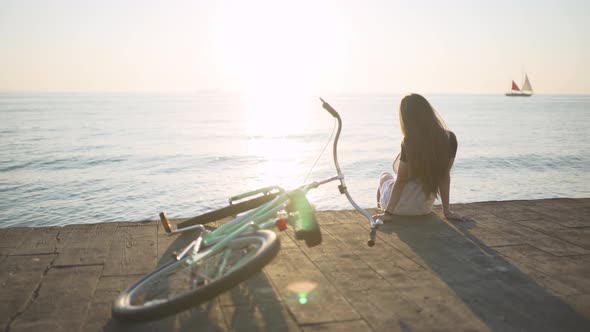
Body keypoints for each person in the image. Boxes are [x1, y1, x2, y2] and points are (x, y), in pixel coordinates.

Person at [373, 93, 468, 222]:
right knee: (392, 179)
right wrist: (447, 211)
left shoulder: (409, 142)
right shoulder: (450, 139)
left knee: (385, 176)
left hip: (397, 209)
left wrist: (389, 213)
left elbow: (401, 181)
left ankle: (383, 211)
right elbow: (444, 177)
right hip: (424, 209)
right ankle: (386, 210)